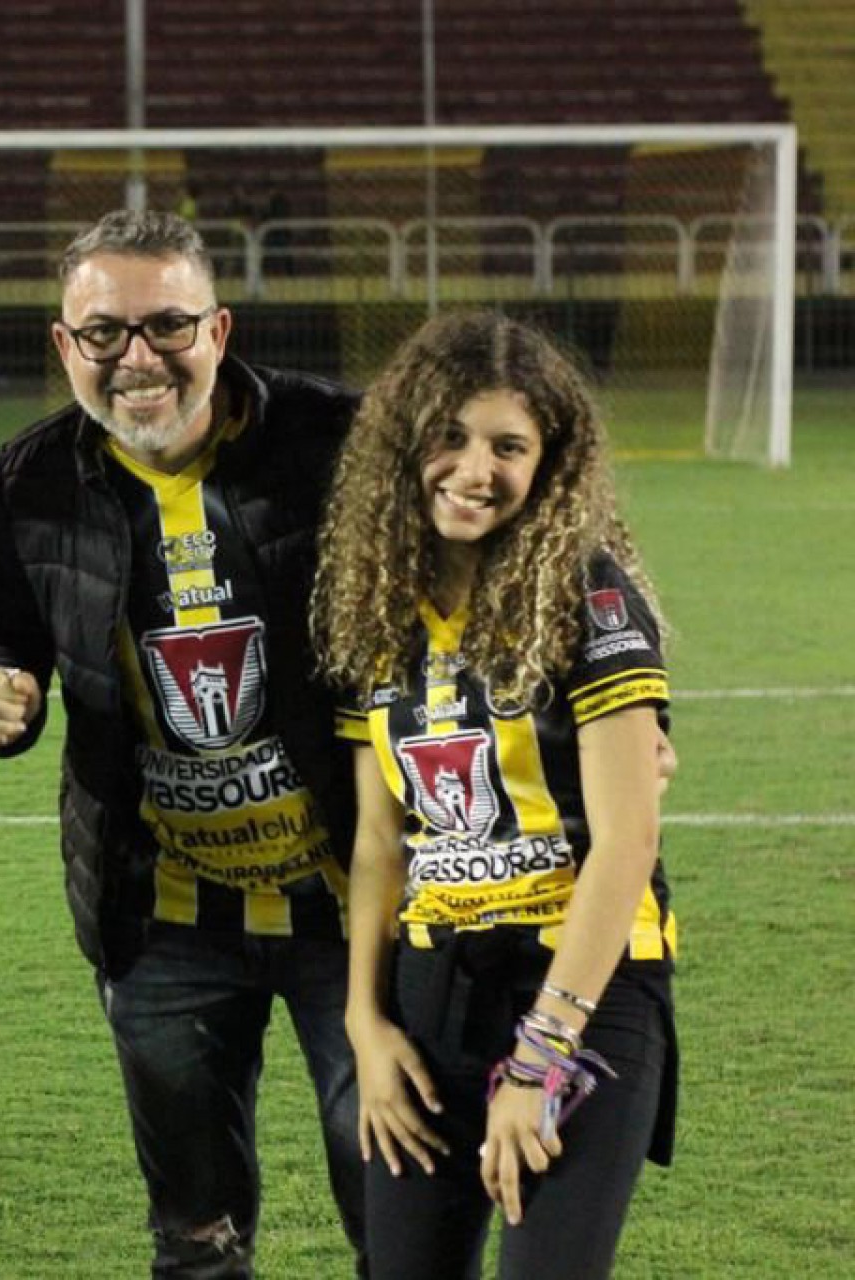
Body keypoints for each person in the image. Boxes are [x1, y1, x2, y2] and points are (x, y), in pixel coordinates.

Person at [0, 208, 365, 1278]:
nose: (137, 358)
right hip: (163, 913)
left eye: (167, 326)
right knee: (195, 1232)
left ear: (219, 331)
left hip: (356, 903)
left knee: (403, 1202)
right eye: (104, 333)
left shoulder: (344, 442)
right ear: (64, 346)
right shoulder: (30, 478)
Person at [312, 310, 677, 1279]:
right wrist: (367, 1023)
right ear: (405, 444)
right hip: (431, 999)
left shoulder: (589, 595)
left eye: (509, 446)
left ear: (550, 464)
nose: (476, 469)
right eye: (451, 436)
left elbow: (628, 839)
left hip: (583, 993)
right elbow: (378, 842)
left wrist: (540, 1059)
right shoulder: (374, 599)